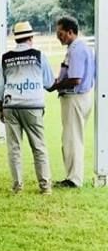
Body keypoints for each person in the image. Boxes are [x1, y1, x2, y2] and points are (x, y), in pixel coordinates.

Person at [0, 20, 53, 194]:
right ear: (30, 38)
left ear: (16, 39)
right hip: (33, 105)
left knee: (14, 147)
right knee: (38, 146)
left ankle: (18, 185)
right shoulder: (39, 56)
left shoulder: (6, 58)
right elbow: (49, 82)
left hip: (11, 105)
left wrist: (0, 107)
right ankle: (45, 186)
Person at [47, 15, 94, 188]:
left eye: (60, 33)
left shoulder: (76, 50)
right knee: (73, 137)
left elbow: (75, 79)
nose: (58, 37)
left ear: (70, 32)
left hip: (75, 97)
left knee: (72, 139)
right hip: (82, 97)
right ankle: (73, 176)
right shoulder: (81, 48)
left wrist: (55, 85)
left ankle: (74, 179)